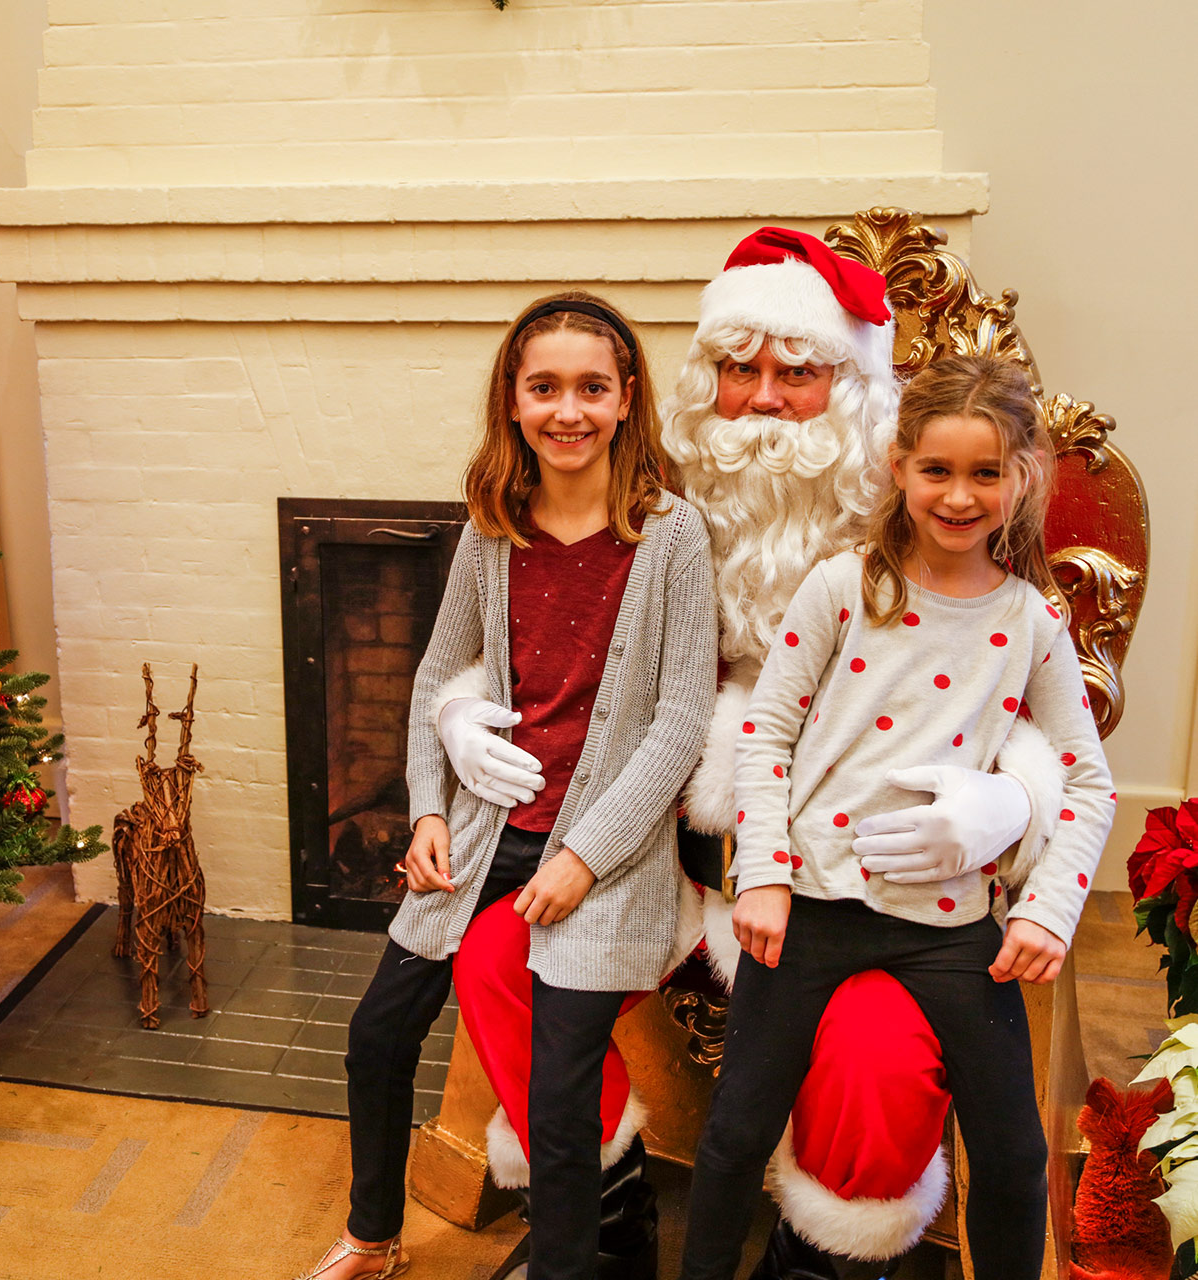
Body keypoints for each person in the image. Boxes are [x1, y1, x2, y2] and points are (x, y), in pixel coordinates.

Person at [439, 228, 1071, 1278]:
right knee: (498, 956)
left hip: (849, 893)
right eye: (740, 369)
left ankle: (818, 1254)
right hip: (660, 867)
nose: (765, 400)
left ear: (857, 392)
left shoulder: (941, 518)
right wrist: (466, 712)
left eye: (799, 372)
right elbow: (535, 647)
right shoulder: (649, 503)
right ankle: (599, 1209)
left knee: (875, 1058)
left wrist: (1009, 800)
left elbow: (1045, 708)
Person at [291, 290, 717, 1280]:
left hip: (604, 850)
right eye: (544, 387)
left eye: (590, 388)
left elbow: (682, 718)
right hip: (489, 830)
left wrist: (582, 856)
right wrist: (432, 807)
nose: (567, 409)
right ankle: (372, 1234)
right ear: (514, 403)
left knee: (557, 1093)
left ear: (625, 400)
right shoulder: (494, 530)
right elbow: (439, 676)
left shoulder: (672, 536)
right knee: (376, 1033)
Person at [679, 354, 1115, 1279]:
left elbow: (1088, 784)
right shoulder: (843, 587)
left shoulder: (1031, 622)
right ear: (898, 467)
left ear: (1021, 477)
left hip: (947, 925)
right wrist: (760, 873)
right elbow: (765, 737)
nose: (959, 496)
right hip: (811, 909)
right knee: (734, 1136)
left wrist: (1047, 909)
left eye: (985, 473)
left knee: (1015, 1154)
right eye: (938, 470)